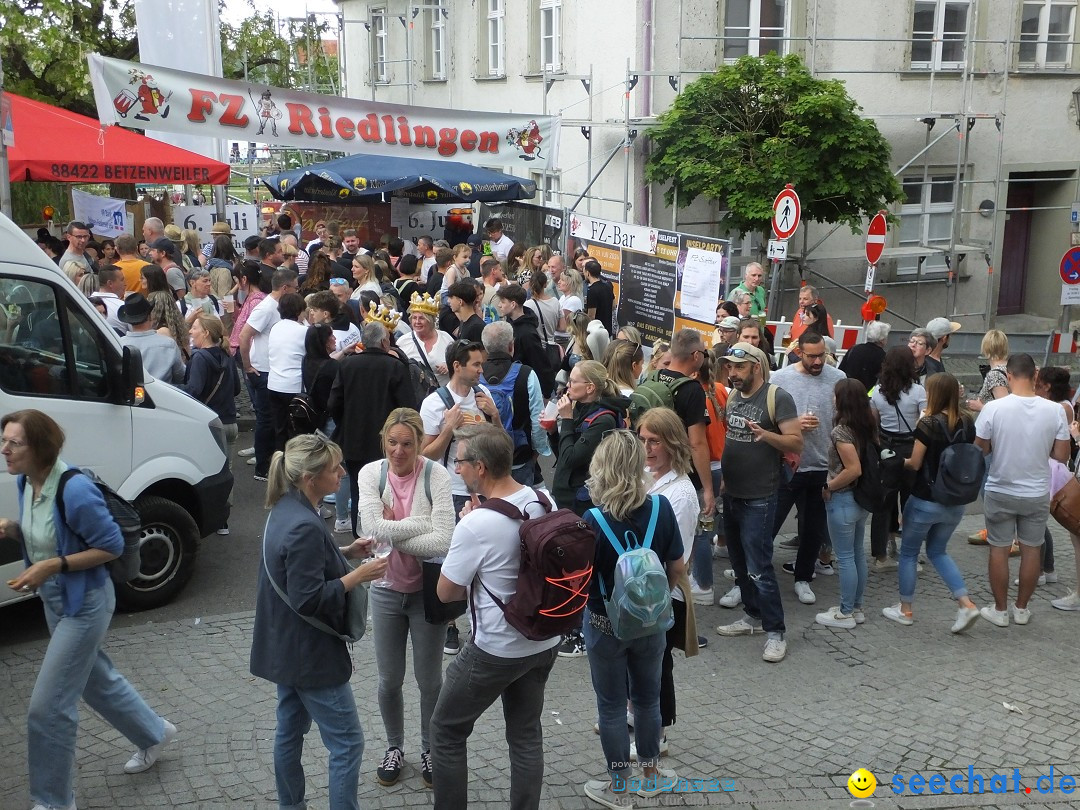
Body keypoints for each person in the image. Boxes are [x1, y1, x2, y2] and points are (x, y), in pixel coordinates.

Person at [2, 409, 177, 810]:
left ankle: (53, 801)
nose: (4, 450)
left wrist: (53, 565)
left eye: (14, 443)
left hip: (86, 605)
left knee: (47, 708)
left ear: (40, 448)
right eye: (4, 441)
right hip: (55, 600)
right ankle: (154, 733)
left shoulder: (75, 488)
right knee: (95, 681)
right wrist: (13, 529)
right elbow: (51, 533)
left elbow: (111, 546)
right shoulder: (25, 481)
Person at [249, 433, 389, 810]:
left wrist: (344, 551)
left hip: (284, 648)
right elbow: (308, 597)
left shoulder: (286, 509)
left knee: (289, 733)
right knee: (347, 743)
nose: (343, 472)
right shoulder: (304, 525)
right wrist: (357, 576)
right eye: (335, 468)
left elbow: (295, 565)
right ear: (311, 478)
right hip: (310, 655)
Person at [429, 423, 560, 810]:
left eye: (461, 461)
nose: (457, 468)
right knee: (525, 735)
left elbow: (446, 592)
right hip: (543, 639)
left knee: (446, 730)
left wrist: (466, 528)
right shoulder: (542, 499)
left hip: (494, 649)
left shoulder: (476, 524)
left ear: (481, 467)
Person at [580, 430, 683, 807]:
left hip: (605, 624)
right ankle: (652, 775)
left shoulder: (591, 519)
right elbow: (677, 566)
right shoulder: (661, 507)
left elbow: (584, 578)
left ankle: (620, 786)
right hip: (652, 623)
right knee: (647, 700)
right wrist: (656, 603)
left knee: (610, 705)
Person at [356, 408, 455, 790]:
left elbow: (444, 539)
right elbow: (369, 527)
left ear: (420, 443)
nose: (398, 451)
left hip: (425, 592)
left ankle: (430, 748)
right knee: (388, 680)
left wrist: (390, 530)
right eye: (392, 442)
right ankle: (394, 746)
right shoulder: (370, 473)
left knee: (429, 680)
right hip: (385, 589)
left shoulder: (437, 475)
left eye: (408, 444)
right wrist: (422, 525)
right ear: (384, 440)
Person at [715, 342, 802, 663]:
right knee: (739, 565)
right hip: (733, 493)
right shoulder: (735, 396)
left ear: (756, 366)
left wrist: (766, 435)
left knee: (759, 568)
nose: (732, 373)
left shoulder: (777, 397)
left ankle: (776, 632)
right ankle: (751, 617)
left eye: (739, 367)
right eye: (729, 367)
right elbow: (733, 440)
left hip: (760, 498)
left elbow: (796, 441)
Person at [975, 354, 1070, 627]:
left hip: (1000, 487)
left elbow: (979, 448)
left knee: (999, 549)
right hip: (1037, 490)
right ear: (1035, 376)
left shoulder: (994, 409)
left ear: (1009, 376)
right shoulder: (1054, 411)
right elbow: (1062, 455)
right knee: (1032, 550)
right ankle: (1022, 608)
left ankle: (1000, 610)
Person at [882, 372, 981, 632]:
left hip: (926, 498)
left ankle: (905, 609)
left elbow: (914, 463)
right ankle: (966, 603)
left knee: (909, 554)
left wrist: (892, 460)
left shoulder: (928, 424)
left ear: (933, 394)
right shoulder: (967, 423)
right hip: (955, 500)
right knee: (938, 551)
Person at [637, 407, 699, 759]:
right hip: (642, 588)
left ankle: (657, 732)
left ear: (672, 443)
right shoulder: (649, 477)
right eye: (643, 440)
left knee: (658, 664)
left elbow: (679, 558)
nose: (647, 449)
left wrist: (655, 597)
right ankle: (637, 715)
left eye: (654, 441)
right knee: (642, 661)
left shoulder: (681, 494)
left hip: (661, 591)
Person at [772, 332, 846, 606]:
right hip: (788, 464)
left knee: (812, 528)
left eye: (822, 355)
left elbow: (845, 416)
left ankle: (803, 577)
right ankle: (753, 574)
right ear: (798, 352)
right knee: (770, 523)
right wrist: (793, 424)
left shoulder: (837, 378)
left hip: (821, 465)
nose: (818, 361)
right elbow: (768, 416)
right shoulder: (780, 378)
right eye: (812, 356)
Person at [329, 321, 419, 536]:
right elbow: (407, 407)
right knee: (386, 492)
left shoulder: (347, 365)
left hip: (352, 439)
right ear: (383, 341)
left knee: (358, 489)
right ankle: (384, 537)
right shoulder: (395, 366)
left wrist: (345, 422)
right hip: (386, 443)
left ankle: (361, 536)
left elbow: (333, 403)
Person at [814, 378, 875, 629]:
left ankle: (845, 612)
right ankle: (856, 607)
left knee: (846, 557)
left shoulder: (841, 431)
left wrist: (829, 486)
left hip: (843, 498)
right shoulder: (868, 424)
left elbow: (853, 469)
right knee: (857, 554)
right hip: (861, 499)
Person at [869, 346, 927, 571]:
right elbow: (923, 423)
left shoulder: (876, 391)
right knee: (911, 503)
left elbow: (874, 424)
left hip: (886, 447)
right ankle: (910, 554)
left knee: (883, 502)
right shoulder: (918, 392)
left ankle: (880, 555)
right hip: (911, 447)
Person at [481, 321, 552, 485]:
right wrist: (537, 450)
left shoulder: (476, 375)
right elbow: (537, 418)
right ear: (511, 345)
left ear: (485, 347)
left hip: (485, 457)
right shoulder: (526, 373)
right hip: (519, 456)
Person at [494, 283, 556, 398]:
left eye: (503, 302)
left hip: (528, 388)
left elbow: (540, 364)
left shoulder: (527, 333)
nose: (499, 305)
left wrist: (545, 393)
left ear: (513, 304)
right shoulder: (511, 324)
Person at [118, 293, 185, 383]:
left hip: (132, 395)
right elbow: (180, 375)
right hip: (163, 394)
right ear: (150, 315)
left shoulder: (119, 344)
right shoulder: (168, 344)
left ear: (128, 320)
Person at [399, 292, 455, 387]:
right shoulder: (403, 342)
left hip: (443, 394)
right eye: (414, 318)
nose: (417, 322)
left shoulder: (446, 338)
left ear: (430, 320)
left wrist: (449, 366)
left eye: (421, 318)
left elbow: (459, 363)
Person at [838, 320, 890, 391]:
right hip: (865, 395)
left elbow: (841, 370)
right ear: (882, 340)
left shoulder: (854, 348)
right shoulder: (883, 356)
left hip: (845, 390)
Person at [967, 329, 1010, 412]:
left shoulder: (995, 375)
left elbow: (1004, 409)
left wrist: (981, 407)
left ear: (985, 348)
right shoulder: (1011, 367)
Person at [583, 260, 614, 335]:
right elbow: (613, 306)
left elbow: (591, 316)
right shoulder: (608, 286)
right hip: (608, 329)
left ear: (588, 273)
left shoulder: (592, 290)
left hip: (597, 331)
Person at [556, 268, 585, 337]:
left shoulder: (573, 300)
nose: (559, 282)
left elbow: (563, 326)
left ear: (570, 283)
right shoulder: (563, 297)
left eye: (562, 280)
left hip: (564, 339)